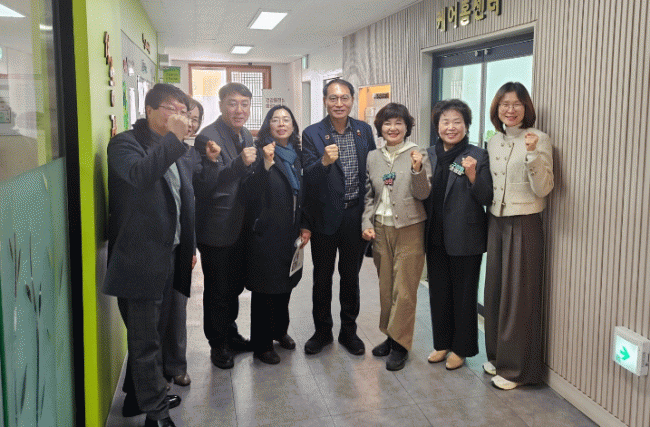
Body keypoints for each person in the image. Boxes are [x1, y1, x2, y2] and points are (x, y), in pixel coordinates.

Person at [103, 83, 221, 427]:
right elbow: (140, 176)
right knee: (145, 341)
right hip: (140, 259)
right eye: (171, 108)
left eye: (183, 110)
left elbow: (189, 197)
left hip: (171, 254)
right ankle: (156, 414)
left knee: (156, 332)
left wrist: (190, 245)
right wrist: (173, 139)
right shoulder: (125, 144)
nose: (179, 116)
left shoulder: (177, 149)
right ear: (150, 110)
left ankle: (139, 397)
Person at [483, 82, 554, 390]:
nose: (510, 110)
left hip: (524, 222)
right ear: (497, 109)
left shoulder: (539, 138)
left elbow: (544, 188)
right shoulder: (493, 141)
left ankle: (516, 370)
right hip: (496, 221)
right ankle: (498, 356)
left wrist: (532, 154)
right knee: (495, 291)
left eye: (516, 104)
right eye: (504, 104)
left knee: (518, 298)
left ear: (526, 108)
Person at [302, 78, 376, 356]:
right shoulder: (312, 133)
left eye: (344, 98)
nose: (339, 103)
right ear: (325, 101)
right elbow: (308, 178)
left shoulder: (363, 130)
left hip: (354, 215)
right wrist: (323, 162)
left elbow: (371, 170)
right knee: (322, 278)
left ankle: (349, 331)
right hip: (324, 217)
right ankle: (322, 332)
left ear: (352, 100)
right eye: (333, 98)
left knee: (350, 278)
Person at [424, 99, 493, 371]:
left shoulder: (478, 155)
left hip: (466, 236)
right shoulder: (428, 154)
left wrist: (473, 174)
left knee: (464, 296)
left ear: (466, 126)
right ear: (437, 125)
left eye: (457, 122)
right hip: (435, 235)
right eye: (445, 122)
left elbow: (486, 197)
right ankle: (442, 343)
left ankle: (462, 349)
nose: (451, 127)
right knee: (439, 292)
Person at [361, 103, 431, 371]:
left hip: (409, 228)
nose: (392, 128)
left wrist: (417, 169)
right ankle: (390, 336)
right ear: (380, 128)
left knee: (404, 289)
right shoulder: (373, 157)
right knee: (386, 287)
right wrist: (367, 222)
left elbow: (423, 193)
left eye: (398, 123)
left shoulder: (418, 153)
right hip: (381, 228)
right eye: (387, 123)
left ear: (406, 127)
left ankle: (401, 345)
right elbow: (369, 194)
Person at [196, 83, 258, 369]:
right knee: (217, 290)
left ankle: (230, 334)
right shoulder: (207, 137)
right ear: (221, 105)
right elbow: (206, 183)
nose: (239, 110)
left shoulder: (246, 134)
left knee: (233, 286)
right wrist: (239, 163)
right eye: (233, 103)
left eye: (245, 104)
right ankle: (217, 343)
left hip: (241, 226)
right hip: (217, 227)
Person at [243, 105, 312, 364]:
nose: (281, 124)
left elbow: (302, 195)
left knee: (285, 285)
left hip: (291, 233)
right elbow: (250, 192)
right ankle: (262, 344)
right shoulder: (260, 153)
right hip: (266, 234)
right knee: (265, 290)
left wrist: (305, 225)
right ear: (268, 126)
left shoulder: (296, 155)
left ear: (293, 126)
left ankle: (279, 331)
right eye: (275, 120)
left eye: (286, 119)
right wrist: (266, 164)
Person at [160, 98, 205, 388]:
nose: (189, 122)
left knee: (178, 308)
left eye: (194, 118)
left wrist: (192, 245)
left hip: (181, 242)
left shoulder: (191, 154)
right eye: (185, 115)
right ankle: (154, 373)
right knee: (154, 315)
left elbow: (193, 203)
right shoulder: (153, 149)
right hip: (155, 246)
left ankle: (176, 365)